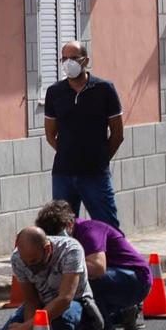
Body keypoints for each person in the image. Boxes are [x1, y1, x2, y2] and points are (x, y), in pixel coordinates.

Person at [38, 198, 148, 330]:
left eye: (57, 235)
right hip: (119, 279)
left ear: (69, 225)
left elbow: (98, 268)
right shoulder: (70, 237)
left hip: (136, 280)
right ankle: (121, 315)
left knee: (83, 278)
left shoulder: (89, 231)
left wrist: (62, 266)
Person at [44, 39, 125, 230]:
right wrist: (67, 152)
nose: (68, 63)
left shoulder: (105, 89)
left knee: (107, 227)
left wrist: (101, 158)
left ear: (85, 60)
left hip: (95, 174)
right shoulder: (55, 92)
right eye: (64, 58)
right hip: (63, 174)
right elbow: (50, 134)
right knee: (61, 228)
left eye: (73, 58)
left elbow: (117, 134)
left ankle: (114, 260)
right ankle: (71, 260)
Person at [0, 221, 91, 330]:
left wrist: (28, 327)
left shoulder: (71, 250)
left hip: (75, 302)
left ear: (47, 249)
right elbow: (31, 300)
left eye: (33, 261)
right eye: (26, 262)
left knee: (62, 318)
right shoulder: (18, 258)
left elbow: (65, 299)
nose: (30, 266)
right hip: (42, 301)